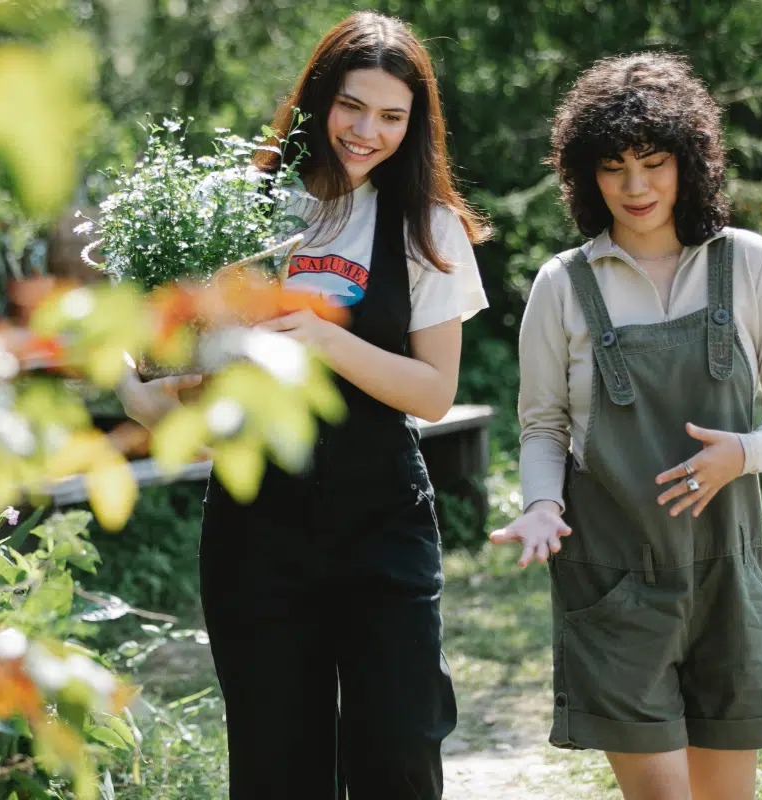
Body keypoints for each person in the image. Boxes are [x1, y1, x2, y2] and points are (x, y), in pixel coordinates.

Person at [118, 11, 490, 799]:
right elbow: (144, 374)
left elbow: (432, 394)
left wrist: (325, 343)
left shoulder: (429, 228)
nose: (367, 132)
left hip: (381, 519)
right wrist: (157, 395)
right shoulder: (234, 206)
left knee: (399, 751)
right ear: (319, 97)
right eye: (353, 106)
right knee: (276, 765)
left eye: (394, 117)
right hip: (258, 527)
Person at [489, 53, 762, 800]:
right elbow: (542, 425)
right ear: (584, 175)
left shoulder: (748, 263)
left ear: (689, 161)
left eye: (653, 162)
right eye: (612, 167)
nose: (634, 187)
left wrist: (746, 453)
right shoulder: (562, 285)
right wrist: (542, 504)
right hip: (614, 583)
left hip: (726, 579)